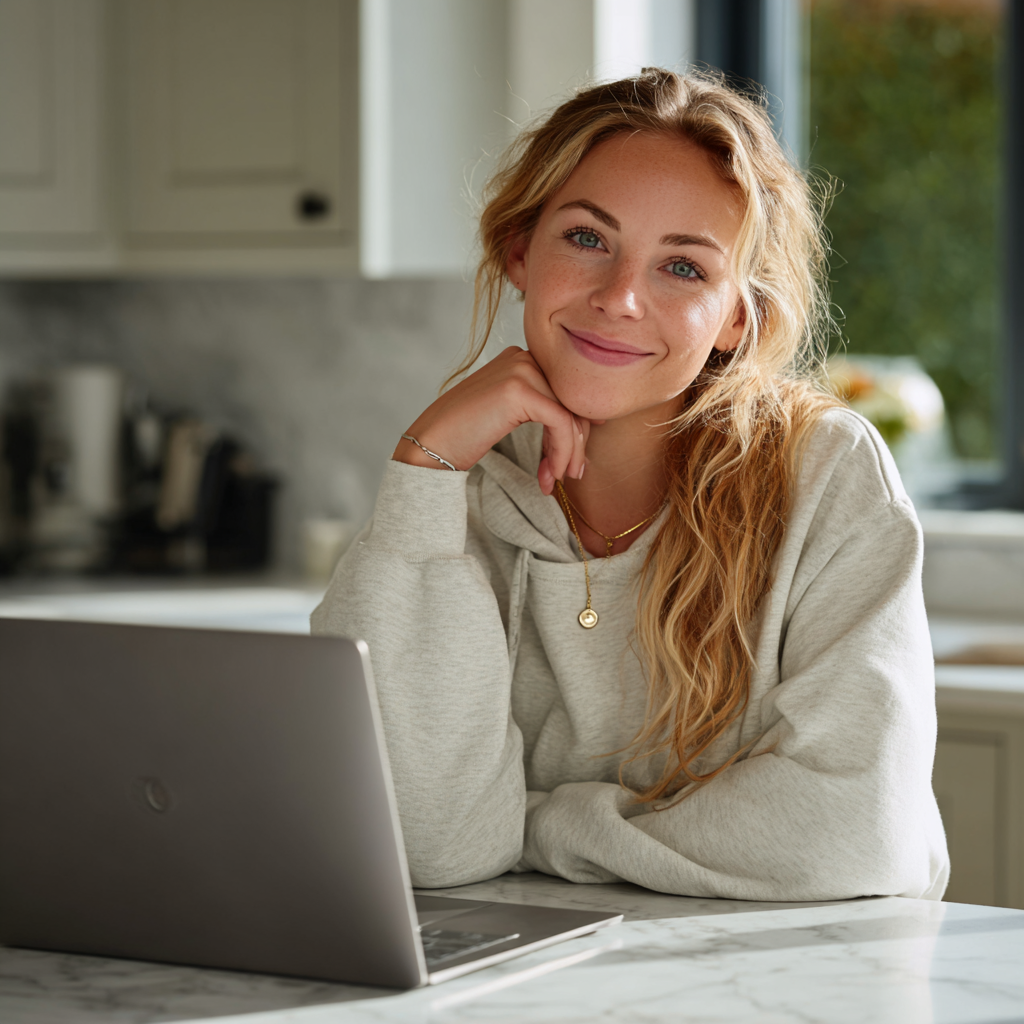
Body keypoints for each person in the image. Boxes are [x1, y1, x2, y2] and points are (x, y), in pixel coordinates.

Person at [312, 69, 949, 902]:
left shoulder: (823, 471)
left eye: (683, 268)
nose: (619, 298)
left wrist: (534, 827)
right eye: (586, 239)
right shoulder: (458, 487)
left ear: (736, 319)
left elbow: (847, 835)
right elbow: (427, 844)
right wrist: (420, 464)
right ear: (519, 251)